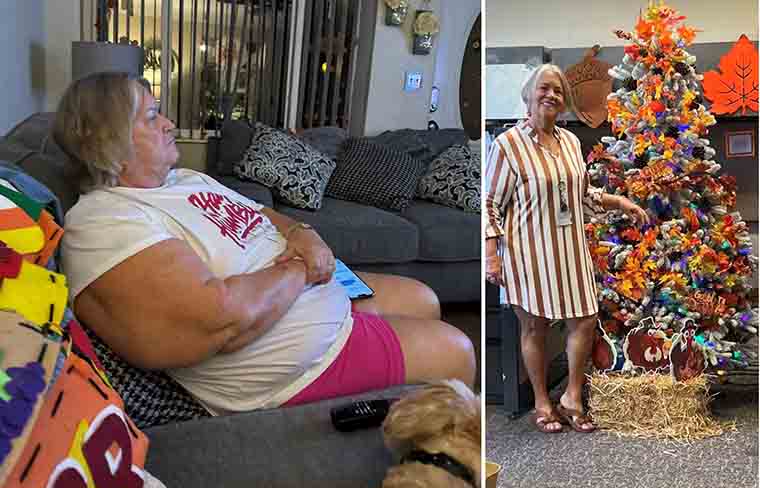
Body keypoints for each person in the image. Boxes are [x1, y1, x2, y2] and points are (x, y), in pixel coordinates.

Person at [54, 72, 476, 416]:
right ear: (108, 139)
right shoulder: (104, 220)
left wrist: (301, 234)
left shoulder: (183, 179)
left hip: (311, 289)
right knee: (458, 351)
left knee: (424, 298)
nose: (167, 124)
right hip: (293, 360)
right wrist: (300, 267)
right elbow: (217, 319)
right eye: (151, 117)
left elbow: (260, 213)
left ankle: (413, 412)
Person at [484, 64, 648, 433]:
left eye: (559, 90)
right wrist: (492, 254)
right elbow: (490, 203)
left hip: (570, 247)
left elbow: (580, 196)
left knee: (585, 318)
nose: (552, 95)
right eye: (545, 88)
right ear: (529, 95)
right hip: (528, 249)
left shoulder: (572, 142)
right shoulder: (508, 145)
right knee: (535, 327)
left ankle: (572, 396)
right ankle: (543, 402)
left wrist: (619, 203)